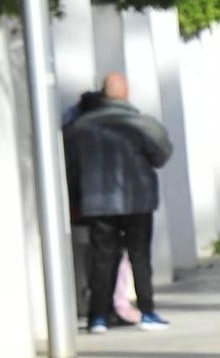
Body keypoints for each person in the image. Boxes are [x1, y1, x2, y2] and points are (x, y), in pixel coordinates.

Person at [65, 73, 173, 334]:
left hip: (97, 202)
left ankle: (98, 317)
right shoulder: (143, 124)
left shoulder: (80, 128)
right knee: (139, 256)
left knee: (102, 258)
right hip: (138, 200)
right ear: (125, 93)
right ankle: (147, 311)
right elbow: (162, 155)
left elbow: (70, 165)